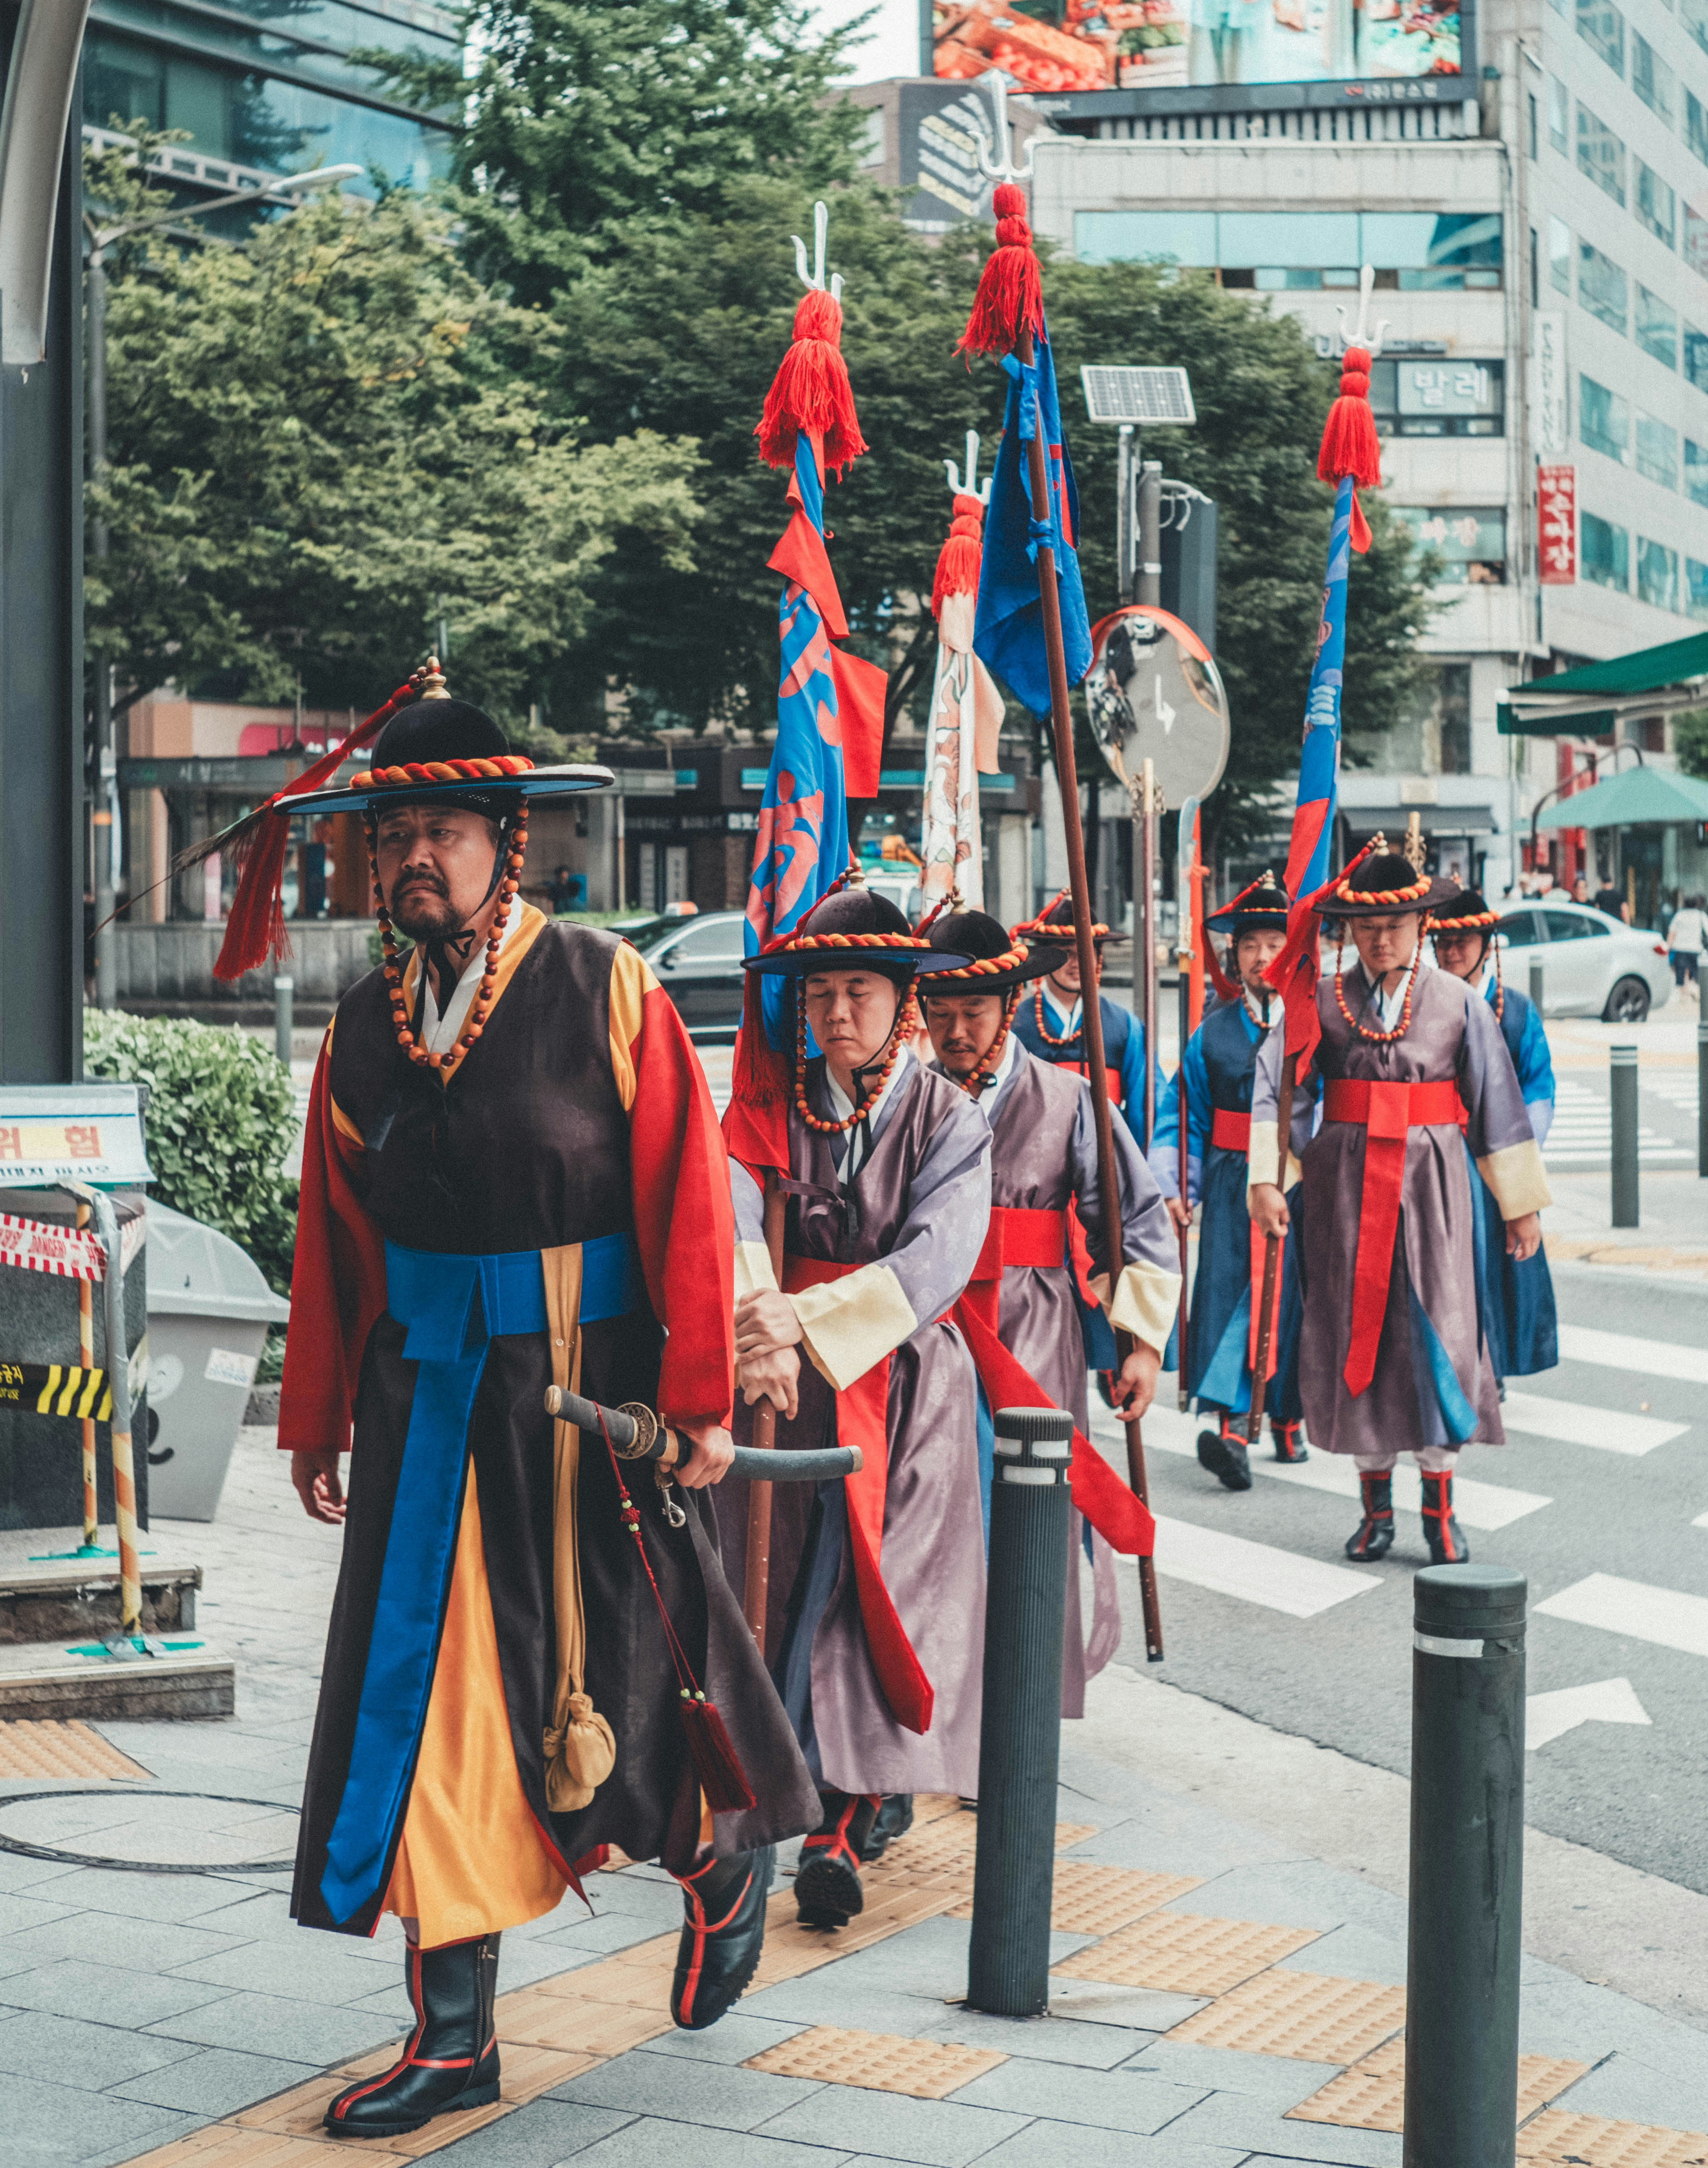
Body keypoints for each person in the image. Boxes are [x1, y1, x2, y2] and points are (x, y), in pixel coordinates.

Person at [274, 675, 817, 2134]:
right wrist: (319, 1416)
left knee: (616, 1688)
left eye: (445, 832)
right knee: (435, 1704)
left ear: (506, 843)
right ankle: (454, 2036)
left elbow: (687, 1197)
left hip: (586, 1404)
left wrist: (697, 1397)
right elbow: (336, 1237)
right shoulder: (363, 1028)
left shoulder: (602, 984)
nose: (417, 859)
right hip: (424, 1412)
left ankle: (714, 1858)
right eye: (397, 836)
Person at [722, 884, 994, 1933]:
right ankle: (781, 1790)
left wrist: (798, 1318)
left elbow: (936, 1260)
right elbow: (731, 1205)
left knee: (884, 1595)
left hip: (907, 1383)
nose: (837, 1012)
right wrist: (760, 1318)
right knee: (788, 1585)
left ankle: (846, 1814)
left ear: (901, 1001)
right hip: (786, 1385)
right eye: (820, 993)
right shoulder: (772, 1106)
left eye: (860, 992)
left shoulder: (950, 1117)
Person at [1247, 843, 1550, 1568]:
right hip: (1345, 1192)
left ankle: (1440, 1510)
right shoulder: (1320, 1002)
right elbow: (1280, 1088)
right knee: (1360, 1334)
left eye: (1395, 926)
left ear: (1421, 924)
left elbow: (1497, 1099)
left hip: (1436, 1189)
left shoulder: (1458, 1003)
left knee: (1442, 1329)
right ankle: (1374, 1510)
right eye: (1366, 927)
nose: (1381, 940)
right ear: (1349, 930)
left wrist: (1519, 1205)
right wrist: (1268, 1177)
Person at [916, 911, 1178, 1713]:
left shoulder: (1069, 1098)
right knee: (932, 1508)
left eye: (975, 1011)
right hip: (930, 1326)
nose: (957, 1032)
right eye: (940, 1012)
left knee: (1033, 1505)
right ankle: (938, 1703)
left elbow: (1135, 1220)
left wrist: (1141, 1344)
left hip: (1033, 1323)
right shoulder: (908, 1096)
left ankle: (1024, 1700)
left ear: (1009, 1004)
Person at [1149, 872, 1307, 1490]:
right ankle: (1234, 1427)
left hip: (1296, 1180)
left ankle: (1288, 1413)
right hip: (1227, 1180)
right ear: (1233, 956)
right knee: (1227, 1293)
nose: (1262, 957)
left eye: (1274, 944)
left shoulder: (1311, 1023)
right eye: (1249, 946)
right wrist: (1176, 1187)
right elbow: (1182, 1112)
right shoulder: (1210, 1032)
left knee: (1294, 1298)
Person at [1425, 886, 1558, 1386]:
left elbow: (1537, 1088)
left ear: (1486, 945)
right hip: (1439, 1153)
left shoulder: (1516, 1011)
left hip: (1498, 1157)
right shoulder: (1423, 1007)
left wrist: (1519, 1156)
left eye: (1462, 941)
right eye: (1442, 942)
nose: (1451, 952)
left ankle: (1492, 1368)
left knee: (1496, 1266)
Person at [1010, 891, 1155, 1151]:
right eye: (1067, 954)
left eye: (1087, 953)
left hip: (1106, 1158)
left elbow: (1145, 1110)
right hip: (1034, 1158)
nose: (1077, 964)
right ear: (1045, 958)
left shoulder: (1125, 1026)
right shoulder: (1015, 1027)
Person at [1664, 890, 1708, 998]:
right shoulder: (1701, 915)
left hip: (1680, 948)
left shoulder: (1679, 915)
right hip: (1696, 948)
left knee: (1682, 972)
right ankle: (1692, 988)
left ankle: (1684, 994)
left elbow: (1672, 933)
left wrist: (1668, 946)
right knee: (1694, 972)